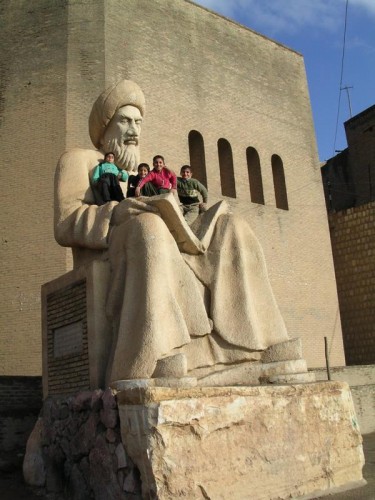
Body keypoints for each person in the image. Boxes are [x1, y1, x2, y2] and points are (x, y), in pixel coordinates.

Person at [54, 79, 290, 383]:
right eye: (125, 121)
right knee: (149, 228)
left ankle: (253, 344)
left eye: (138, 122)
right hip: (113, 247)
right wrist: (115, 213)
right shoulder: (78, 160)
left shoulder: (147, 172)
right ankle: (152, 358)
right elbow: (66, 222)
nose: (134, 130)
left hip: (167, 239)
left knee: (232, 226)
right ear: (105, 127)